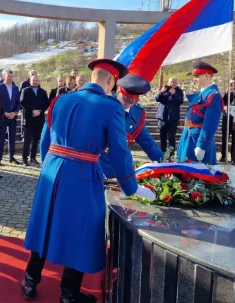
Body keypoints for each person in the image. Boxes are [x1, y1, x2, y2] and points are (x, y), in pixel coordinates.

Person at [21, 59, 154, 303]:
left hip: (52, 169)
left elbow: (45, 137)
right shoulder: (110, 107)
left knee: (45, 222)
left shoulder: (61, 99)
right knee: (81, 229)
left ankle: (30, 279)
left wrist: (48, 163)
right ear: (112, 81)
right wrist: (132, 187)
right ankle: (68, 294)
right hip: (82, 173)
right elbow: (119, 152)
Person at [99, 74, 164, 178]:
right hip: (97, 166)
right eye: (127, 99)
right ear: (119, 91)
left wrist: (163, 163)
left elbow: (146, 141)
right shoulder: (102, 105)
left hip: (119, 168)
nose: (130, 104)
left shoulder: (137, 113)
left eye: (135, 100)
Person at [176, 61, 223, 165]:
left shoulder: (213, 95)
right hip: (188, 135)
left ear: (206, 75)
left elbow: (210, 124)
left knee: (197, 174)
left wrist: (202, 145)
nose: (194, 79)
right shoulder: (200, 93)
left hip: (198, 139)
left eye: (197, 76)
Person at [20, 75, 49, 166]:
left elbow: (46, 103)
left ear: (39, 81)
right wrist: (33, 110)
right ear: (30, 81)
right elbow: (23, 102)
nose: (35, 82)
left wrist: (40, 111)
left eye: (36, 80)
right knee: (27, 140)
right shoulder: (25, 90)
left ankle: (33, 157)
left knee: (36, 139)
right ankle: (25, 158)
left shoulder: (43, 92)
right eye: (33, 80)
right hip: (29, 118)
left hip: (39, 119)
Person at [0, 69, 21, 165]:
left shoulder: (15, 88)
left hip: (13, 117)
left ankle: (11, 157)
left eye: (11, 76)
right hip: (3, 116)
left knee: (12, 137)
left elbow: (18, 103)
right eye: (8, 76)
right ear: (3, 76)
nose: (10, 78)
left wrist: (15, 112)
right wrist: (4, 113)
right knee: (1, 137)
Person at [154, 77, 184, 153]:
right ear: (168, 82)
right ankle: (162, 152)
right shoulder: (164, 90)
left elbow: (180, 101)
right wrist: (161, 92)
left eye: (174, 82)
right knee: (162, 136)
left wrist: (174, 94)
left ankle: (171, 154)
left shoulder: (179, 92)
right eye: (171, 82)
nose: (172, 83)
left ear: (177, 83)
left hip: (173, 118)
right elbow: (157, 99)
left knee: (171, 136)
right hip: (162, 117)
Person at [220, 77, 235, 162]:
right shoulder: (227, 91)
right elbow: (223, 102)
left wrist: (234, 94)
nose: (233, 85)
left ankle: (233, 157)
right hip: (226, 116)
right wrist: (226, 93)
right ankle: (223, 155)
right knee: (225, 136)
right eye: (231, 83)